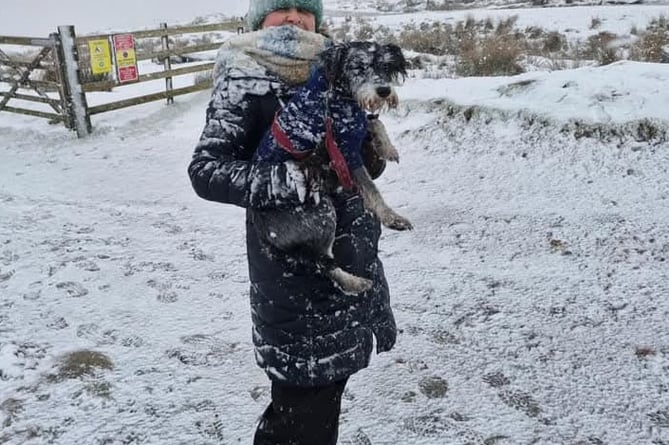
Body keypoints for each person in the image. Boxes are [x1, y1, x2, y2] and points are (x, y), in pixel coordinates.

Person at [188, 1, 397, 443]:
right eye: (279, 8)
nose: (293, 18)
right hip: (293, 277)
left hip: (353, 261)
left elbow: (360, 169)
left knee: (317, 407)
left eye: (304, 10)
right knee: (302, 416)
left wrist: (368, 152)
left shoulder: (342, 69)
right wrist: (287, 178)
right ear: (257, 21)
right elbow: (206, 171)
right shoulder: (244, 76)